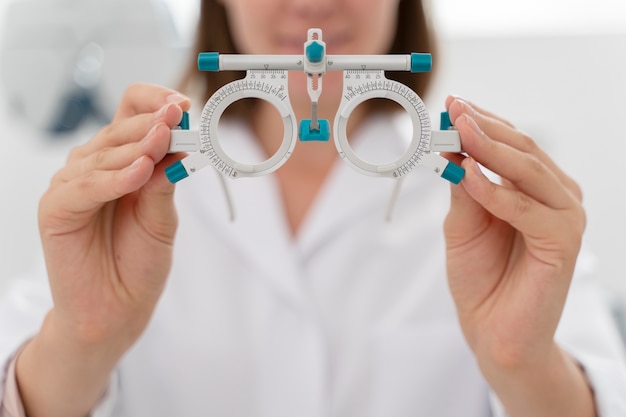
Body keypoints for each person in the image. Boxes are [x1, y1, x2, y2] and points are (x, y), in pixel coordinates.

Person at [1, 0, 626, 416]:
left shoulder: (492, 199)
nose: (314, 6)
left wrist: (525, 364)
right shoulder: (128, 197)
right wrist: (81, 340)